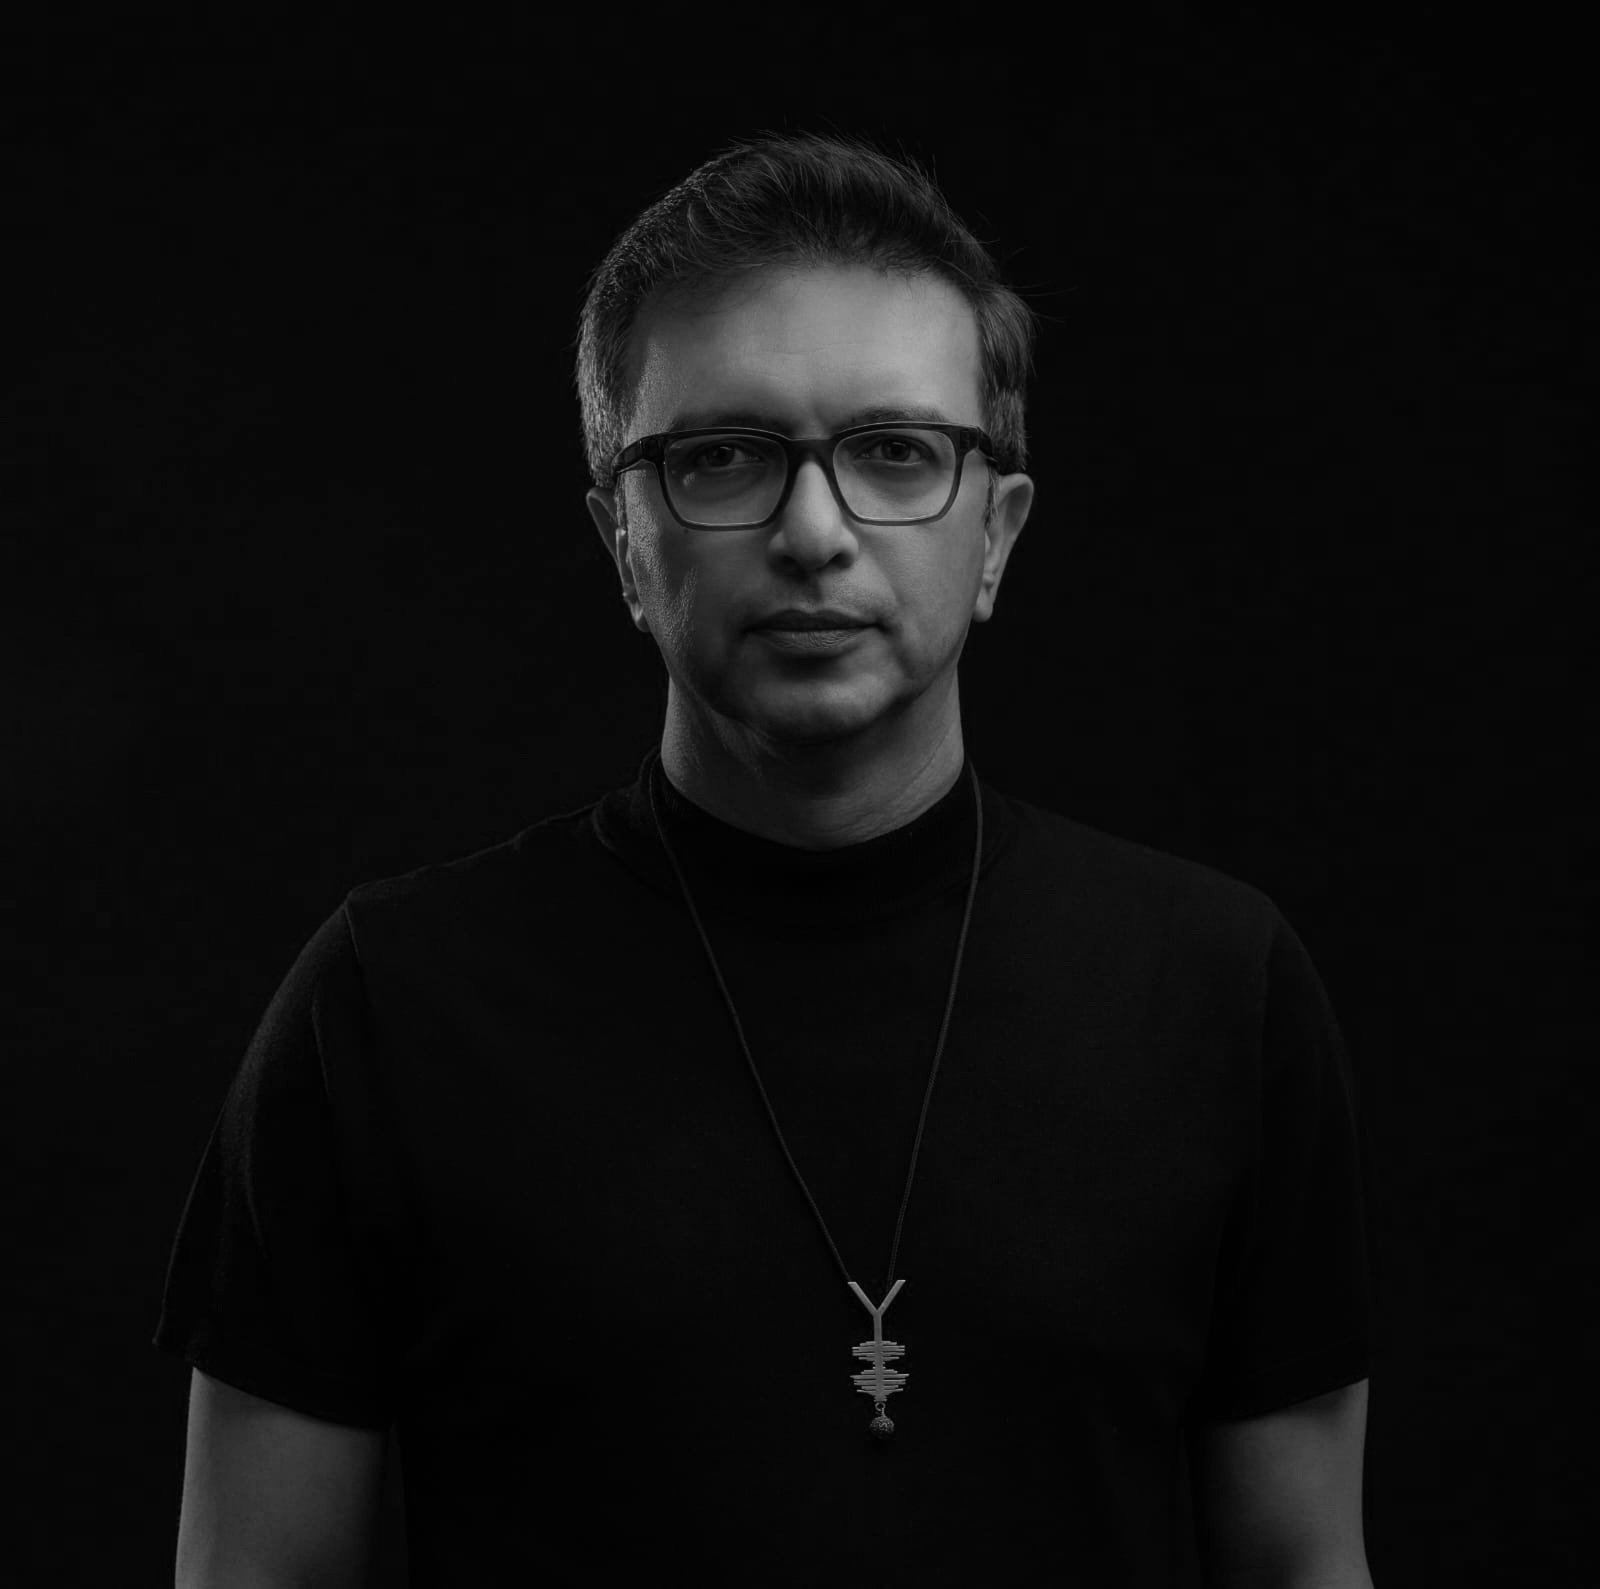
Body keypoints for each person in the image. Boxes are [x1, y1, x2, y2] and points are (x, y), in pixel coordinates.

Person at [155, 130, 1376, 1586]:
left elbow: (1307, 1566)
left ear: (996, 534)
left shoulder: (1219, 987)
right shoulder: (387, 1001)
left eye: (895, 452)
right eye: (724, 456)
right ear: (623, 538)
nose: (813, 531)